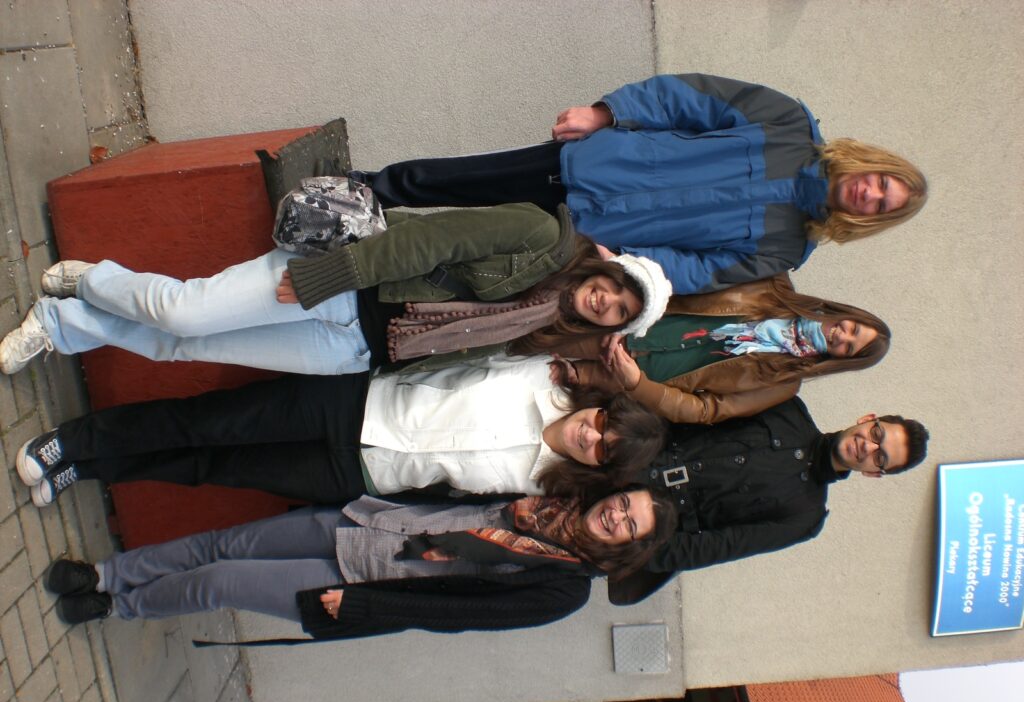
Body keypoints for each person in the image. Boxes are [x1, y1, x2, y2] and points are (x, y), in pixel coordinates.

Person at [351, 73, 928, 294]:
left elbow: (695, 270)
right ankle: (362, 192)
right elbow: (686, 98)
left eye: (882, 204)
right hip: (592, 167)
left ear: (872, 220)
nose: (871, 193)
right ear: (871, 164)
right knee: (453, 181)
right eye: (881, 182)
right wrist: (608, 113)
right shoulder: (787, 122)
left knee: (463, 246)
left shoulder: (788, 248)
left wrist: (624, 264)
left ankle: (360, 253)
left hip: (588, 238)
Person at [0, 203, 671, 376]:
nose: (605, 303)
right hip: (342, 288)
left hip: (355, 351)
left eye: (617, 314)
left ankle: (64, 324)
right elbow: (429, 241)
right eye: (615, 290)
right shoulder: (540, 234)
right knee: (185, 312)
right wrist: (326, 276)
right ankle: (92, 281)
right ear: (607, 271)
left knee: (184, 349)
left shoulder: (545, 330)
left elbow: (456, 354)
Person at [14, 355, 668, 507]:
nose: (591, 438)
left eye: (603, 452)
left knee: (214, 466)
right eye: (601, 425)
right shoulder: (537, 375)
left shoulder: (541, 485)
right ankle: (74, 440)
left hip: (358, 474)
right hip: (352, 405)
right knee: (207, 421)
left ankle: (93, 468)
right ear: (598, 407)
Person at [41, 488, 677, 642]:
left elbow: (462, 616)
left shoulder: (565, 589)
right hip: (366, 523)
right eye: (626, 503)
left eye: (631, 525)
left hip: (360, 582)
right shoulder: (553, 490)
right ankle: (106, 575)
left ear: (627, 548)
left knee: (220, 582)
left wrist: (366, 609)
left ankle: (119, 606)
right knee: (223, 545)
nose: (617, 516)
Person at [605, 397, 930, 605]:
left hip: (635, 529)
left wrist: (629, 552)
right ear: (867, 418)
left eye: (880, 458)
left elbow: (717, 547)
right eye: (876, 434)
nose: (868, 447)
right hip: (623, 454)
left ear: (873, 474)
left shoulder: (805, 517)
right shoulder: (787, 407)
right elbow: (692, 406)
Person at [552, 273, 890, 423]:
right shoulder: (773, 285)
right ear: (847, 314)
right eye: (853, 328)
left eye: (850, 347)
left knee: (539, 376)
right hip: (617, 321)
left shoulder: (785, 383)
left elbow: (706, 410)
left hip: (622, 379)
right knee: (538, 332)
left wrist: (638, 385)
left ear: (842, 360)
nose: (843, 336)